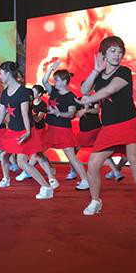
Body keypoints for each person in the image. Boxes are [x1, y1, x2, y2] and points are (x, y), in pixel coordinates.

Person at [77, 36, 136, 221]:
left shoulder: (124, 71)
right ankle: (95, 201)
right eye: (112, 51)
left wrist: (89, 100)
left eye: (120, 51)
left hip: (129, 122)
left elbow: (109, 90)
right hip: (109, 127)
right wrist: (95, 70)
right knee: (93, 165)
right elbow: (84, 90)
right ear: (103, 53)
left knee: (133, 158)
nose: (117, 55)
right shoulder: (99, 75)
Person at [0, 62, 54, 198]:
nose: (0, 76)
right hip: (11, 132)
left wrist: (28, 132)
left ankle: (46, 187)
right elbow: (1, 113)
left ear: (8, 73)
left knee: (22, 163)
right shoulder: (5, 92)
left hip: (23, 132)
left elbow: (25, 114)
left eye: (1, 73)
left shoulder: (23, 92)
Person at [41, 60, 88, 190]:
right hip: (51, 129)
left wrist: (58, 113)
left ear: (64, 82)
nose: (54, 82)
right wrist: (51, 68)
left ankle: (85, 180)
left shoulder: (70, 96)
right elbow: (44, 81)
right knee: (38, 152)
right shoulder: (53, 91)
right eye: (54, 80)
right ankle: (47, 172)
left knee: (72, 158)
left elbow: (71, 114)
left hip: (63, 130)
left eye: (56, 80)